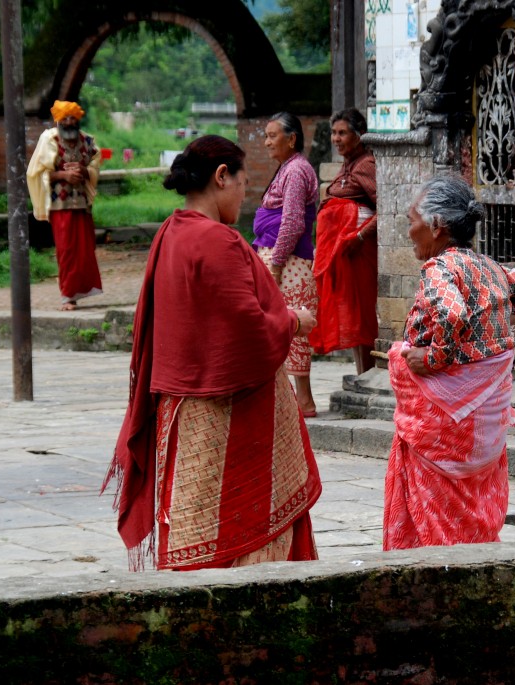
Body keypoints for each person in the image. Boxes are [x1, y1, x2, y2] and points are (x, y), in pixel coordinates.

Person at [105, 135, 321, 571]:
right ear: (222, 177)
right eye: (243, 184)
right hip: (228, 413)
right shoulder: (217, 241)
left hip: (179, 411)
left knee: (188, 527)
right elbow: (248, 331)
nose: (245, 197)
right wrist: (295, 321)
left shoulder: (169, 233)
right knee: (243, 532)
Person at [383, 175, 515, 551]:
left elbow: (454, 315)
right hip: (482, 431)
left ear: (437, 226)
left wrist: (436, 358)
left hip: (444, 427)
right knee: (470, 501)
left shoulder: (438, 269)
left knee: (434, 515)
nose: (409, 232)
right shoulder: (489, 267)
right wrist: (502, 324)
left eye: (412, 220)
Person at [252, 112, 320, 417]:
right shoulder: (289, 168)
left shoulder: (296, 171)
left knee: (290, 326)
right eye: (265, 136)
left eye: (272, 135)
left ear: (291, 139)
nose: (267, 142)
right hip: (283, 259)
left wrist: (276, 264)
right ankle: (292, 399)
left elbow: (292, 222)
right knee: (281, 326)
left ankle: (303, 401)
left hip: (288, 264)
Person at [309, 108, 378, 374]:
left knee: (362, 312)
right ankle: (362, 373)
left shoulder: (366, 165)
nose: (336, 139)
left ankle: (368, 373)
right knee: (351, 312)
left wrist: (358, 236)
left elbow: (387, 210)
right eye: (333, 134)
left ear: (359, 135)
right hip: (345, 254)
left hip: (359, 251)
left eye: (342, 133)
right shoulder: (347, 166)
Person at [26, 100, 104, 311]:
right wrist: (63, 175)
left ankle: (83, 290)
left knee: (86, 249)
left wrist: (83, 171)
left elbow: (96, 165)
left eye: (73, 118)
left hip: (82, 204)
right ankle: (67, 296)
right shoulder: (49, 140)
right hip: (60, 204)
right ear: (58, 120)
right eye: (65, 118)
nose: (69, 122)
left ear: (78, 119)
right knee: (66, 250)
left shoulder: (88, 141)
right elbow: (37, 172)